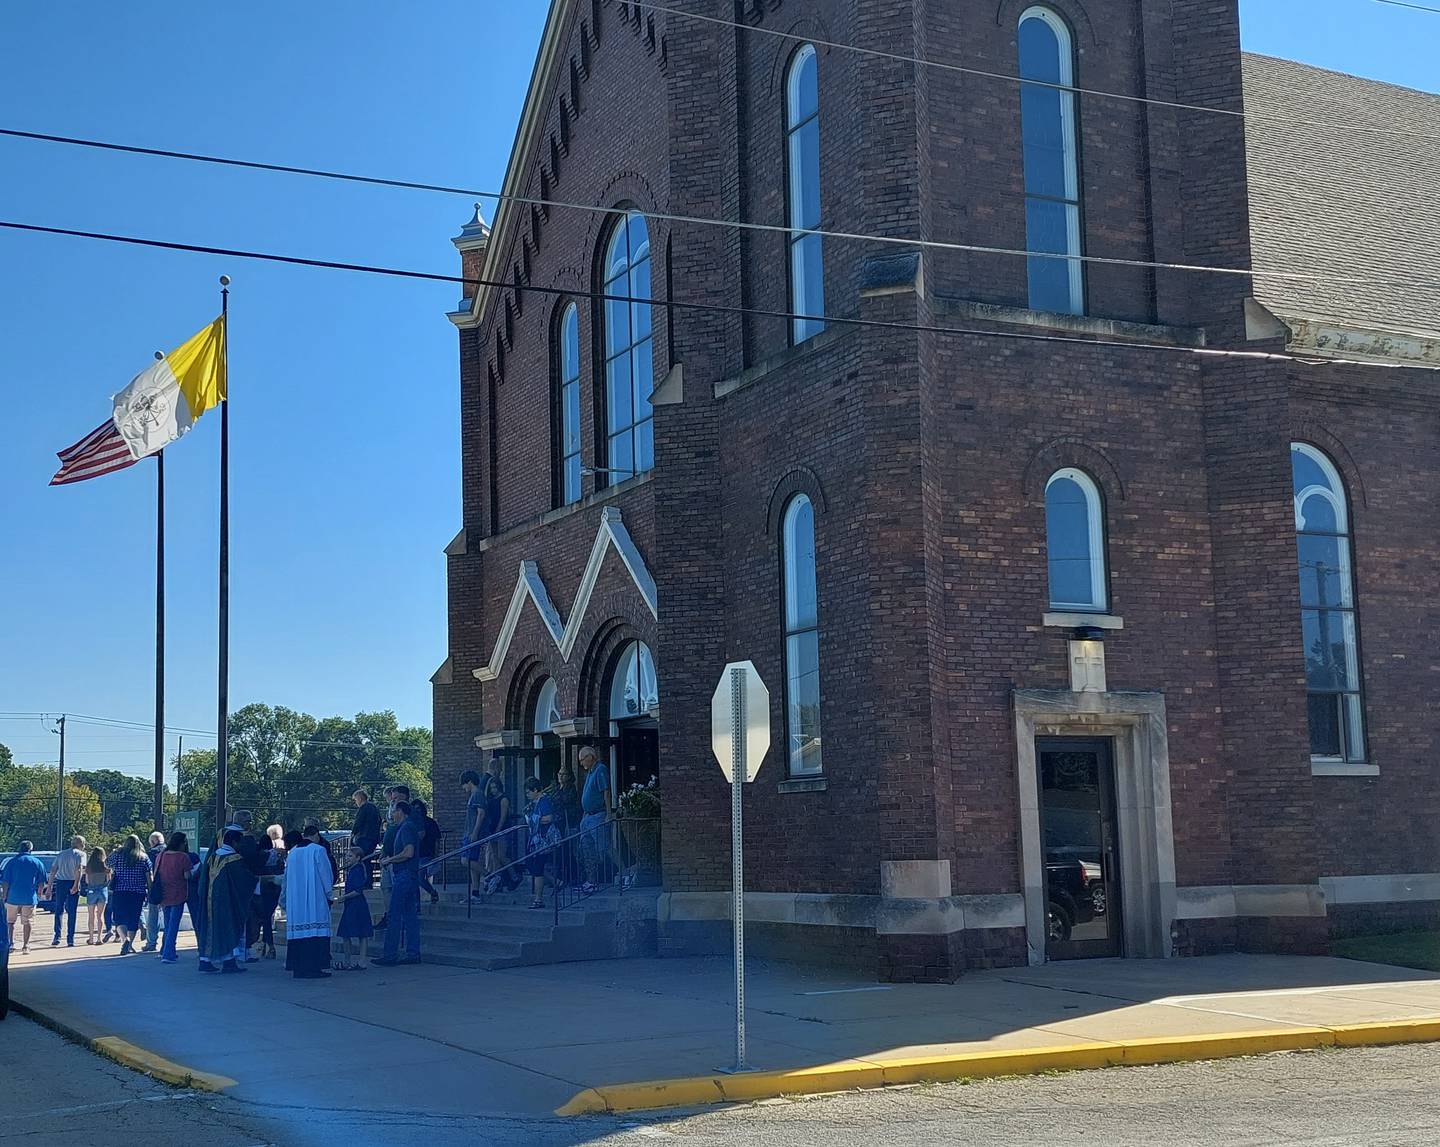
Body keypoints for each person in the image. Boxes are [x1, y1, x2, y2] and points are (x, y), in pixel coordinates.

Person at [199, 829, 256, 974]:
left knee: (210, 929)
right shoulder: (234, 859)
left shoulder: (212, 856)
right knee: (228, 928)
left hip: (209, 900)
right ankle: (229, 962)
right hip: (227, 902)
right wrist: (259, 879)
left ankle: (205, 961)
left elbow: (204, 881)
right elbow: (244, 881)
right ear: (235, 842)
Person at [373, 801, 421, 967]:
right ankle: (413, 952)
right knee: (410, 915)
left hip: (404, 874)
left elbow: (409, 852)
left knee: (394, 914)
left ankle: (390, 954)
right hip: (409, 875)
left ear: (400, 811)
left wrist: (389, 860)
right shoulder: (407, 827)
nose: (391, 814)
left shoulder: (406, 828)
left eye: (393, 811)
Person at [281, 829, 333, 979]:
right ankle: (314, 968)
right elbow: (325, 874)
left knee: (300, 935)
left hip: (296, 903)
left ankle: (299, 968)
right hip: (315, 901)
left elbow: (287, 878)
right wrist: (329, 894)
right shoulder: (318, 850)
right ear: (315, 836)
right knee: (315, 933)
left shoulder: (293, 853)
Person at [106, 835, 152, 955]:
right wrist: (151, 890)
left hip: (120, 891)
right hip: (138, 892)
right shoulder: (143, 857)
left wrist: (115, 850)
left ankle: (124, 939)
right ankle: (130, 943)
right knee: (133, 918)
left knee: (119, 918)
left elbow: (106, 863)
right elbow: (149, 876)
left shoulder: (118, 855)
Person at [2, 842, 50, 955]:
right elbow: (42, 881)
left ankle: (10, 944)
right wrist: (39, 893)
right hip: (29, 897)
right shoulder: (37, 862)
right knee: (27, 922)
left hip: (12, 897)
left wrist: (4, 895)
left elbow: (5, 881)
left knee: (10, 922)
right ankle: (26, 945)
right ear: (31, 849)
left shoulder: (12, 862)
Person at [154, 832, 194, 964]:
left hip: (164, 893)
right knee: (173, 925)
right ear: (182, 843)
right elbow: (187, 876)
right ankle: (168, 953)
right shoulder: (183, 857)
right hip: (178, 893)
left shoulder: (161, 855)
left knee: (167, 924)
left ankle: (165, 949)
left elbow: (156, 873)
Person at [577, 746, 613, 895]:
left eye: (582, 759)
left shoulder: (600, 769)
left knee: (604, 847)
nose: (581, 763)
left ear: (591, 757)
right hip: (587, 816)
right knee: (587, 849)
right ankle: (591, 881)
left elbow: (606, 791)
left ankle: (624, 872)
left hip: (598, 815)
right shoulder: (590, 772)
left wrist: (609, 813)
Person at [523, 778, 561, 910]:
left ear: (535, 790)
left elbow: (549, 818)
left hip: (544, 840)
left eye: (528, 792)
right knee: (532, 865)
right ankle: (556, 881)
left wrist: (534, 819)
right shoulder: (535, 802)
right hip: (537, 840)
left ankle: (538, 899)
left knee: (537, 868)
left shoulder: (544, 801)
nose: (527, 795)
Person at [334, 845, 373, 971]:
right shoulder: (353, 869)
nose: (347, 858)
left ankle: (352, 961)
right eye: (347, 855)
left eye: (350, 856)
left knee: (353, 933)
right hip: (353, 904)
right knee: (356, 933)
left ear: (358, 857)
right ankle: (356, 961)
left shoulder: (358, 870)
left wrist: (343, 897)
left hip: (356, 904)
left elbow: (358, 890)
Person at [252, 824, 286, 961]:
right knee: (268, 916)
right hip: (276, 887)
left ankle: (267, 945)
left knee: (264, 918)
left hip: (263, 888)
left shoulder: (260, 856)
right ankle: (268, 946)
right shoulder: (277, 854)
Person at [46, 835, 86, 948]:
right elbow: (79, 869)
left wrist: (49, 887)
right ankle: (70, 938)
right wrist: (76, 884)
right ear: (80, 844)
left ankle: (57, 936)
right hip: (72, 881)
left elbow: (53, 870)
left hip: (61, 882)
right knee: (72, 911)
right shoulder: (81, 854)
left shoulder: (61, 854)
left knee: (59, 909)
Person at [482, 756, 515, 890]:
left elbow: (503, 817)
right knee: (494, 857)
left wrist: (498, 830)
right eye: (492, 788)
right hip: (492, 831)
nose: (493, 790)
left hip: (501, 831)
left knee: (502, 856)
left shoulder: (504, 799)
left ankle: (514, 876)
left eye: (495, 787)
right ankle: (498, 879)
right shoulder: (491, 798)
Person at [460, 769, 487, 902]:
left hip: (472, 834)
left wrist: (475, 833)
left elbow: (481, 814)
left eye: (464, 784)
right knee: (472, 862)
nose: (463, 788)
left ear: (470, 782)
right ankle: (475, 892)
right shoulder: (473, 795)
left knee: (466, 860)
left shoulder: (477, 794)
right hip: (469, 832)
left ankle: (489, 875)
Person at [141, 831, 166, 953]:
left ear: (153, 842)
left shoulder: (150, 854)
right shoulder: (170, 851)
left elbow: (148, 873)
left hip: (155, 888)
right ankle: (167, 943)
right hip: (170, 887)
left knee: (153, 915)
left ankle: (151, 942)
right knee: (168, 916)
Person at [412, 798, 440, 904]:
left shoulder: (430, 822)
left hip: (426, 854)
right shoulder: (411, 823)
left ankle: (432, 892)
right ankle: (432, 893)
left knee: (420, 878)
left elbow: (437, 839)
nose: (417, 811)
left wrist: (436, 853)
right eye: (414, 809)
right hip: (414, 854)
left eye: (418, 808)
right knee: (417, 879)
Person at [81, 848, 110, 945]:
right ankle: (99, 938)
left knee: (91, 915)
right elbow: (108, 880)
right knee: (100, 915)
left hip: (91, 890)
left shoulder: (89, 866)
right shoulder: (105, 866)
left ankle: (91, 938)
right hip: (102, 890)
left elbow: (87, 881)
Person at [350, 789, 382, 859]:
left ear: (360, 798)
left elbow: (358, 822)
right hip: (373, 838)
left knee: (360, 858)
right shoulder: (374, 807)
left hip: (364, 837)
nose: (356, 802)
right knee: (368, 858)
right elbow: (380, 821)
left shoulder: (363, 808)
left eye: (356, 800)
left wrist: (353, 834)